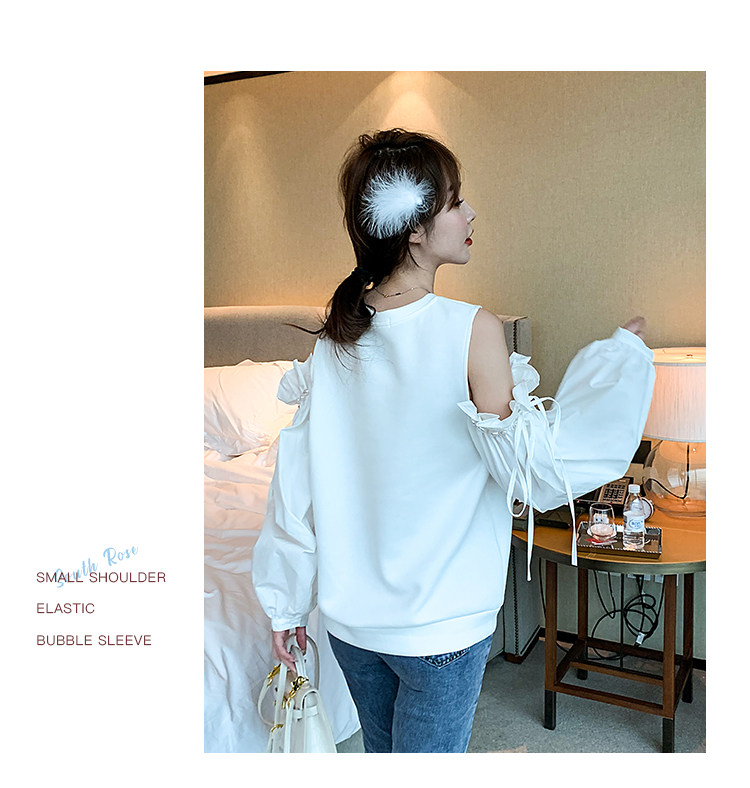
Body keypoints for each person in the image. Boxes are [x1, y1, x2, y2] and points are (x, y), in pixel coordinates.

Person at [252, 128, 654, 753]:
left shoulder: (333, 341)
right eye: (454, 201)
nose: (470, 214)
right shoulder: (472, 329)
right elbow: (532, 471)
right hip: (440, 626)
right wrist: (620, 360)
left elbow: (293, 487)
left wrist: (284, 604)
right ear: (414, 228)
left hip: (351, 626)